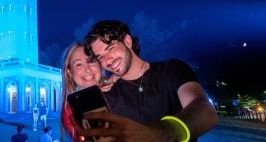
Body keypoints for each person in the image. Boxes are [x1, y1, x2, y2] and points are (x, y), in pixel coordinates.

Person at [81, 20, 218, 142]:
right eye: (100, 58)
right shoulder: (108, 96)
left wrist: (159, 133)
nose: (108, 61)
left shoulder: (171, 70)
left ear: (127, 41)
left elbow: (205, 111)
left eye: (110, 48)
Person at [60, 42, 114, 142]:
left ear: (100, 64)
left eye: (91, 61)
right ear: (69, 72)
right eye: (79, 64)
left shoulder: (118, 90)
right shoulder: (69, 112)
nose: (87, 69)